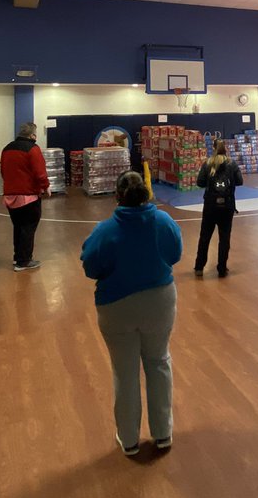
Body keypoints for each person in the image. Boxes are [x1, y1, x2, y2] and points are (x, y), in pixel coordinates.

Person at [81, 170, 183, 457]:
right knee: (159, 361)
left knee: (124, 372)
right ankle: (163, 432)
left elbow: (90, 267)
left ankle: (128, 439)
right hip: (159, 302)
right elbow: (175, 254)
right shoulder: (164, 221)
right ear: (147, 194)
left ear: (117, 196)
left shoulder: (104, 231)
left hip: (116, 307)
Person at [0, 122, 51, 271]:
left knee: (18, 227)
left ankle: (18, 257)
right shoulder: (33, 149)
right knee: (28, 228)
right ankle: (24, 261)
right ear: (32, 135)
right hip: (28, 196)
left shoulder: (7, 148)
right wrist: (46, 186)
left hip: (10, 196)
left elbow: (3, 171)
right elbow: (40, 171)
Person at [194, 139, 244, 277]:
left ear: (213, 148)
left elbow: (200, 182)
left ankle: (199, 267)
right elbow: (240, 181)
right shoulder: (232, 164)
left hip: (210, 206)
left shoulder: (208, 163)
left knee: (205, 237)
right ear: (225, 148)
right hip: (227, 206)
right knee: (224, 238)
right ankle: (222, 268)